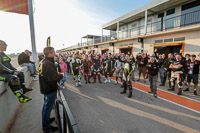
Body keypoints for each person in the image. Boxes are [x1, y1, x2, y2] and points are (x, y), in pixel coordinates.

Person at [38, 47, 63, 132]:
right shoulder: (48, 63)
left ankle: (46, 121)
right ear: (49, 54)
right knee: (47, 108)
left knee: (46, 107)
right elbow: (53, 78)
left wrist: (55, 74)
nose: (54, 53)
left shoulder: (42, 61)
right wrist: (61, 75)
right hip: (49, 89)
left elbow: (48, 75)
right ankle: (46, 127)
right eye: (53, 52)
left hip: (45, 88)